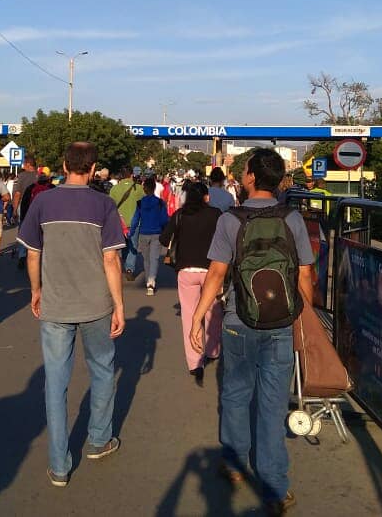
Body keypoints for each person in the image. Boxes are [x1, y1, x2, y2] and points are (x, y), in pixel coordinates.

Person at [190, 149, 315, 515]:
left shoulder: (231, 220)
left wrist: (198, 318)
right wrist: (304, 317)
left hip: (238, 321)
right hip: (281, 323)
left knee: (235, 392)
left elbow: (215, 274)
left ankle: (233, 465)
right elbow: (306, 273)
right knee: (273, 402)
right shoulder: (292, 218)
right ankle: (275, 486)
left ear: (249, 178)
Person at [17, 141, 126, 487]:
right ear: (94, 169)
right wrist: (119, 304)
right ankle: (98, 440)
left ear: (63, 165)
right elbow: (111, 258)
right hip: (96, 304)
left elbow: (33, 253)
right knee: (103, 370)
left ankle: (59, 465)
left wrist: (36, 289)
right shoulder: (104, 205)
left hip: (55, 305)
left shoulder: (43, 201)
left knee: (56, 382)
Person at [159, 181, 222, 386]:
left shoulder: (180, 215)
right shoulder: (215, 214)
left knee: (189, 315)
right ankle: (213, 350)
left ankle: (195, 362)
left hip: (186, 271)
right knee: (212, 311)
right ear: (206, 197)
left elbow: (164, 239)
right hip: (211, 270)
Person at [128, 177, 170, 296]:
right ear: (154, 188)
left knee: (146, 259)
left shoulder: (140, 203)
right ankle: (151, 281)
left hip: (143, 233)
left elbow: (136, 219)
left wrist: (131, 232)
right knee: (154, 258)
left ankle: (148, 280)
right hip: (156, 233)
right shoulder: (160, 203)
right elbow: (164, 219)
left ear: (144, 189)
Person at [109, 166, 144, 281]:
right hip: (135, 223)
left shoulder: (114, 189)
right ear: (131, 175)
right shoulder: (138, 189)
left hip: (120, 222)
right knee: (133, 246)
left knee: (123, 246)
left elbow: (111, 207)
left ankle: (126, 265)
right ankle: (130, 268)